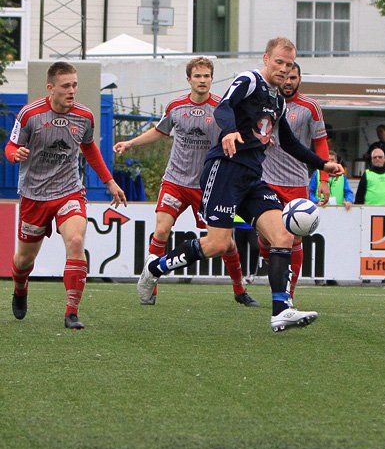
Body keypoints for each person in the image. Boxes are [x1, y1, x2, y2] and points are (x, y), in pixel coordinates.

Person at [136, 37, 345, 333]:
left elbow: (288, 142)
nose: (284, 70)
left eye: (289, 65)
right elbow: (223, 108)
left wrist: (323, 164)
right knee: (218, 244)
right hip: (225, 170)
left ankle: (281, 310)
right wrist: (230, 132)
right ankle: (154, 268)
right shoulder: (250, 80)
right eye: (279, 63)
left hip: (251, 177)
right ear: (266, 59)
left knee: (283, 237)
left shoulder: (278, 101)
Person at [113, 57, 259, 307]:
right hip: (175, 181)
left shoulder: (223, 108)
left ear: (212, 79)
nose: (202, 80)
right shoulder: (176, 106)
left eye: (207, 76)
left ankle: (239, 289)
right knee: (161, 230)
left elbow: (240, 134)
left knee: (225, 243)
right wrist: (130, 142)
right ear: (189, 79)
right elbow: (159, 131)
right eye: (198, 76)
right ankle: (150, 285)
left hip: (208, 185)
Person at [5, 61, 127, 329]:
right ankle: (20, 287)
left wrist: (110, 181)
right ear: (50, 88)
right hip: (34, 195)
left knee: (75, 240)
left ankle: (71, 312)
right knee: (24, 259)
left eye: (74, 85)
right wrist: (17, 155)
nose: (72, 90)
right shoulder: (29, 114)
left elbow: (89, 148)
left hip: (68, 191)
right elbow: (11, 147)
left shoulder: (84, 116)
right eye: (65, 86)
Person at [260, 61, 331, 298]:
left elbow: (320, 142)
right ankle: (274, 264)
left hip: (296, 182)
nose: (288, 82)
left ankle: (288, 292)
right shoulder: (264, 102)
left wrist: (323, 179)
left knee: (295, 237)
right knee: (265, 237)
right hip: (266, 179)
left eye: (293, 78)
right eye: (286, 77)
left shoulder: (310, 107)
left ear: (299, 79)